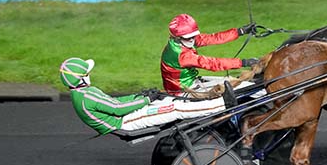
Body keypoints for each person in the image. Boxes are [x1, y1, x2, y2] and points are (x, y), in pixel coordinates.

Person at [60, 57, 239, 134]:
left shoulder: (83, 93)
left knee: (170, 100)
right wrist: (145, 100)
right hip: (125, 123)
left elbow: (114, 102)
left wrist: (139, 96)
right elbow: (117, 108)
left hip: (125, 117)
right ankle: (223, 105)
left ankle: (214, 104)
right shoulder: (87, 96)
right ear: (81, 78)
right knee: (174, 107)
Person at [161, 13, 258, 95]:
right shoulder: (181, 55)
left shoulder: (179, 41)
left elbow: (213, 38)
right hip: (182, 90)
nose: (192, 39)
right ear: (177, 37)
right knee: (236, 87)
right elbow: (211, 63)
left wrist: (240, 31)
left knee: (233, 82)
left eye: (193, 36)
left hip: (191, 81)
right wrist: (243, 62)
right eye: (188, 37)